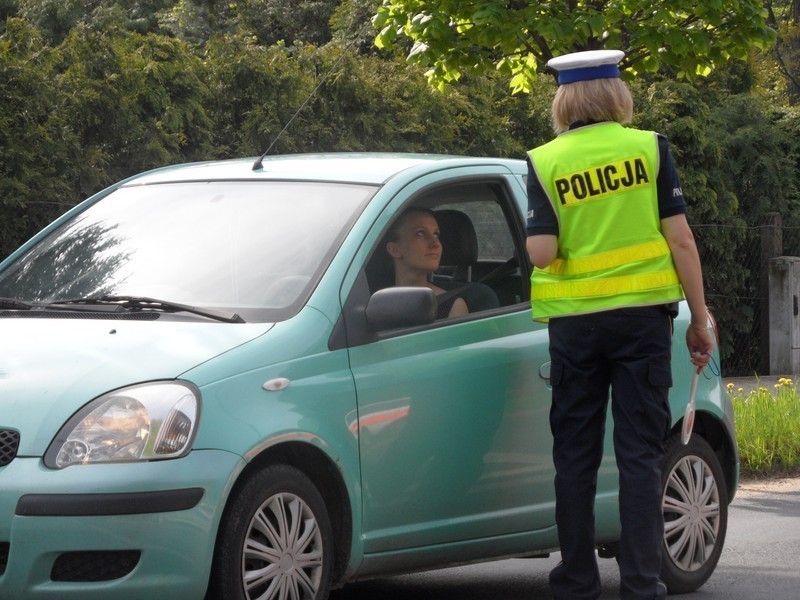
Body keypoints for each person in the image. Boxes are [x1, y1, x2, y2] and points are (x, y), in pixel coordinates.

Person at [525, 49, 715, 600]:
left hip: (575, 327)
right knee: (638, 454)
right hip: (643, 323)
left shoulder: (543, 161)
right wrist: (699, 320)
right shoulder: (649, 149)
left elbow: (541, 253)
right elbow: (681, 240)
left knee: (575, 455)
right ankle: (641, 582)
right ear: (616, 96)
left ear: (563, 99)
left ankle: (577, 580)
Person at [385, 207, 469, 319]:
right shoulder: (370, 302)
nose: (435, 244)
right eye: (421, 233)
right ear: (394, 249)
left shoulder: (451, 305)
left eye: (436, 234)